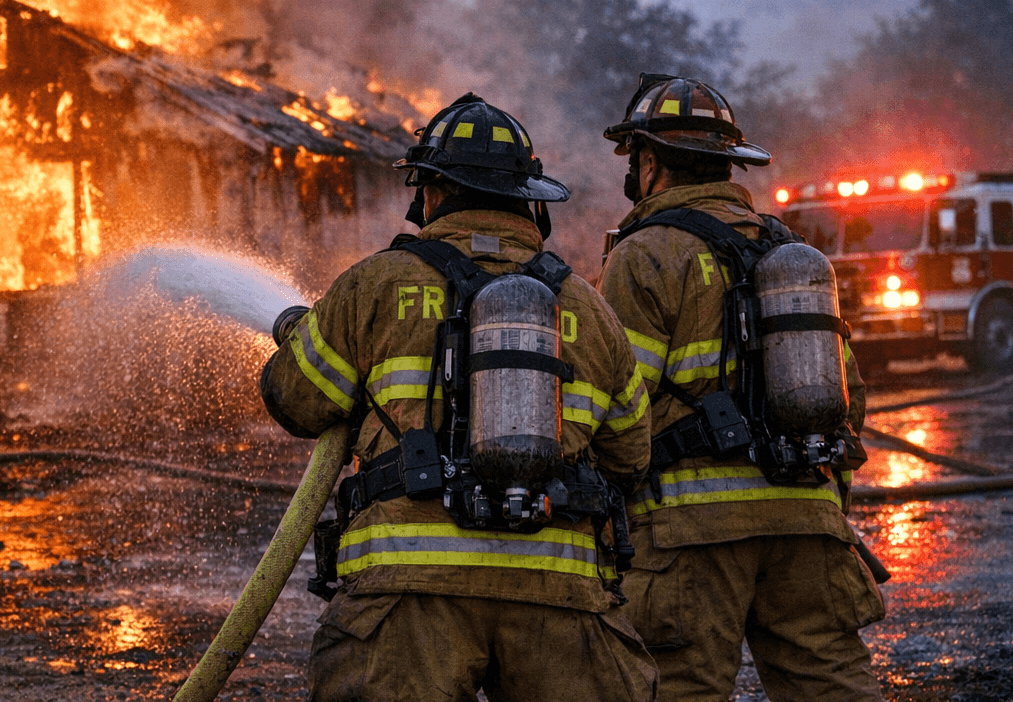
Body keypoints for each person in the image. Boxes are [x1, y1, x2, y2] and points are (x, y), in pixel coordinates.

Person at [261, 93, 656, 702]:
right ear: (530, 200)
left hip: (405, 593)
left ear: (430, 192)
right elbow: (631, 455)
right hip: (561, 595)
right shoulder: (586, 305)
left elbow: (297, 402)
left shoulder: (377, 283)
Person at [597, 73, 884, 702]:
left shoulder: (644, 256)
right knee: (831, 682)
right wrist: (825, 501)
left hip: (689, 533)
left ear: (650, 164)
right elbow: (850, 398)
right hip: (807, 515)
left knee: (682, 688)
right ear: (728, 165)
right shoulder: (790, 255)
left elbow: (619, 407)